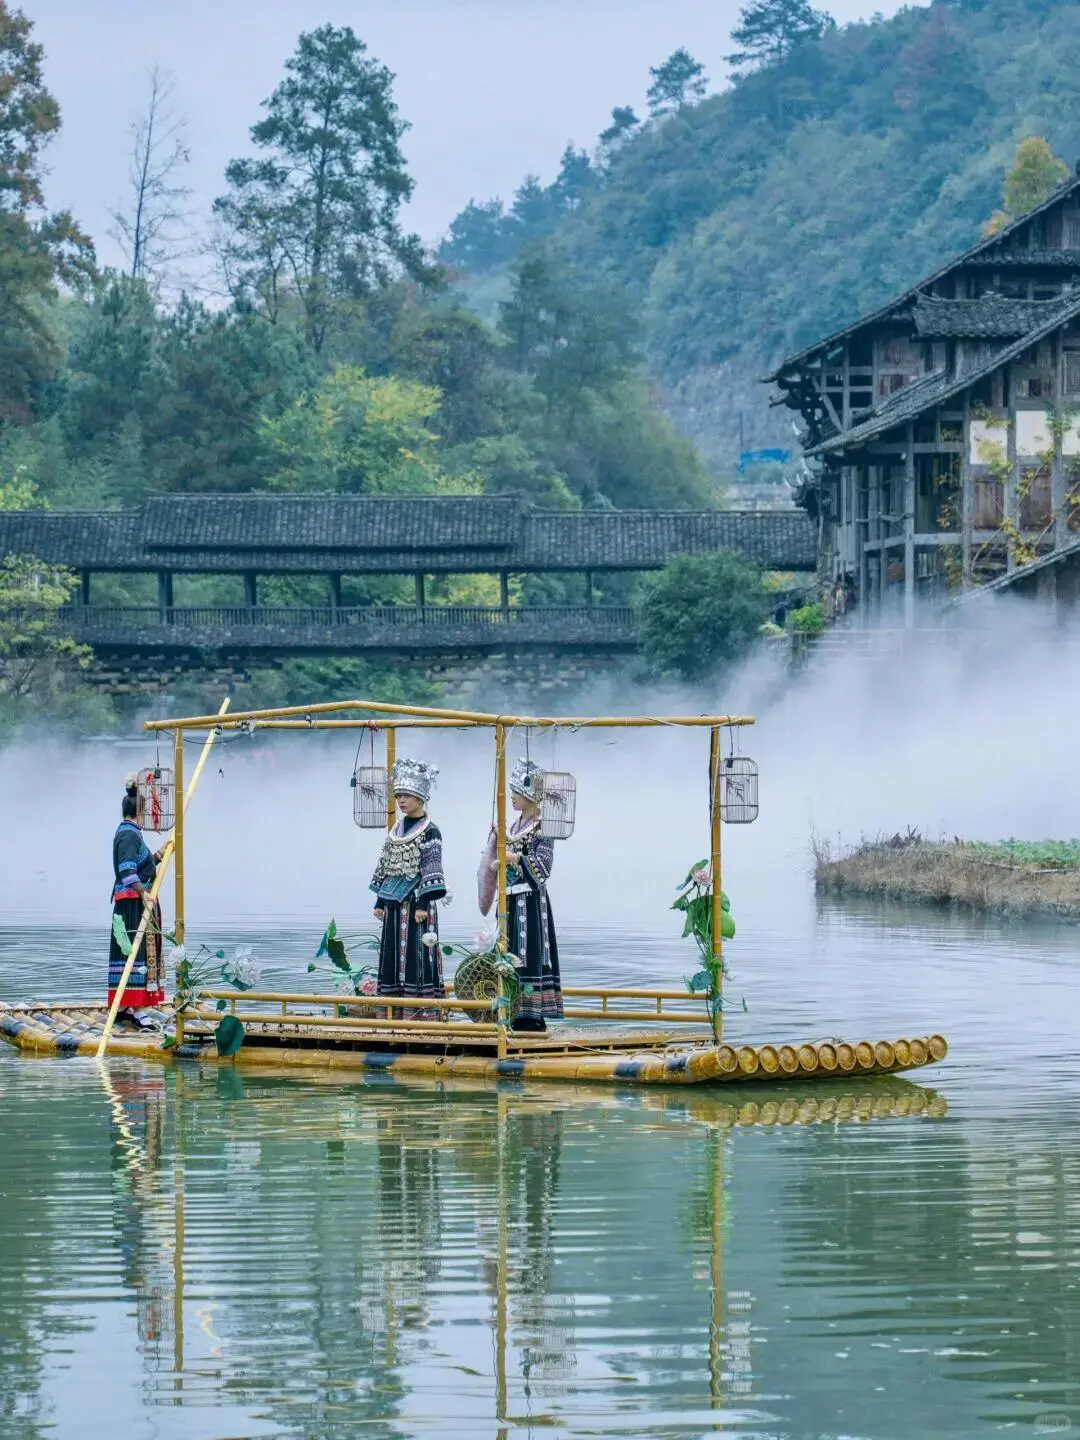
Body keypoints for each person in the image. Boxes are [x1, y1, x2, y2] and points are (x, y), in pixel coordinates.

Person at [370, 758, 447, 1017]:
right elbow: (387, 864)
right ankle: (393, 1012)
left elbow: (431, 867)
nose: (401, 801)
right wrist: (380, 901)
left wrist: (424, 904)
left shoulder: (430, 831)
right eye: (398, 796)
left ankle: (421, 1014)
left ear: (420, 797)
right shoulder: (397, 829)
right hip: (393, 905)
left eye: (406, 796)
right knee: (392, 955)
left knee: (417, 956)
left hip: (416, 904)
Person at [493, 758, 564, 1033]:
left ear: (529, 795)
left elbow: (543, 868)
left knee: (528, 953)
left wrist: (512, 857)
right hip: (510, 900)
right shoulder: (514, 825)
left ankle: (532, 1015)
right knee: (508, 953)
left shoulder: (543, 825)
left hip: (531, 904)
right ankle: (511, 1010)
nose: (511, 797)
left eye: (515, 792)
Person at [109, 776, 165, 1027]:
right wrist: (144, 893)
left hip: (132, 901)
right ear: (139, 812)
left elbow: (141, 866)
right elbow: (128, 871)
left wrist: (160, 855)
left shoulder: (130, 834)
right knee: (135, 953)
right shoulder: (129, 835)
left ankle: (127, 1006)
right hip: (132, 904)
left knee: (129, 953)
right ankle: (137, 1010)